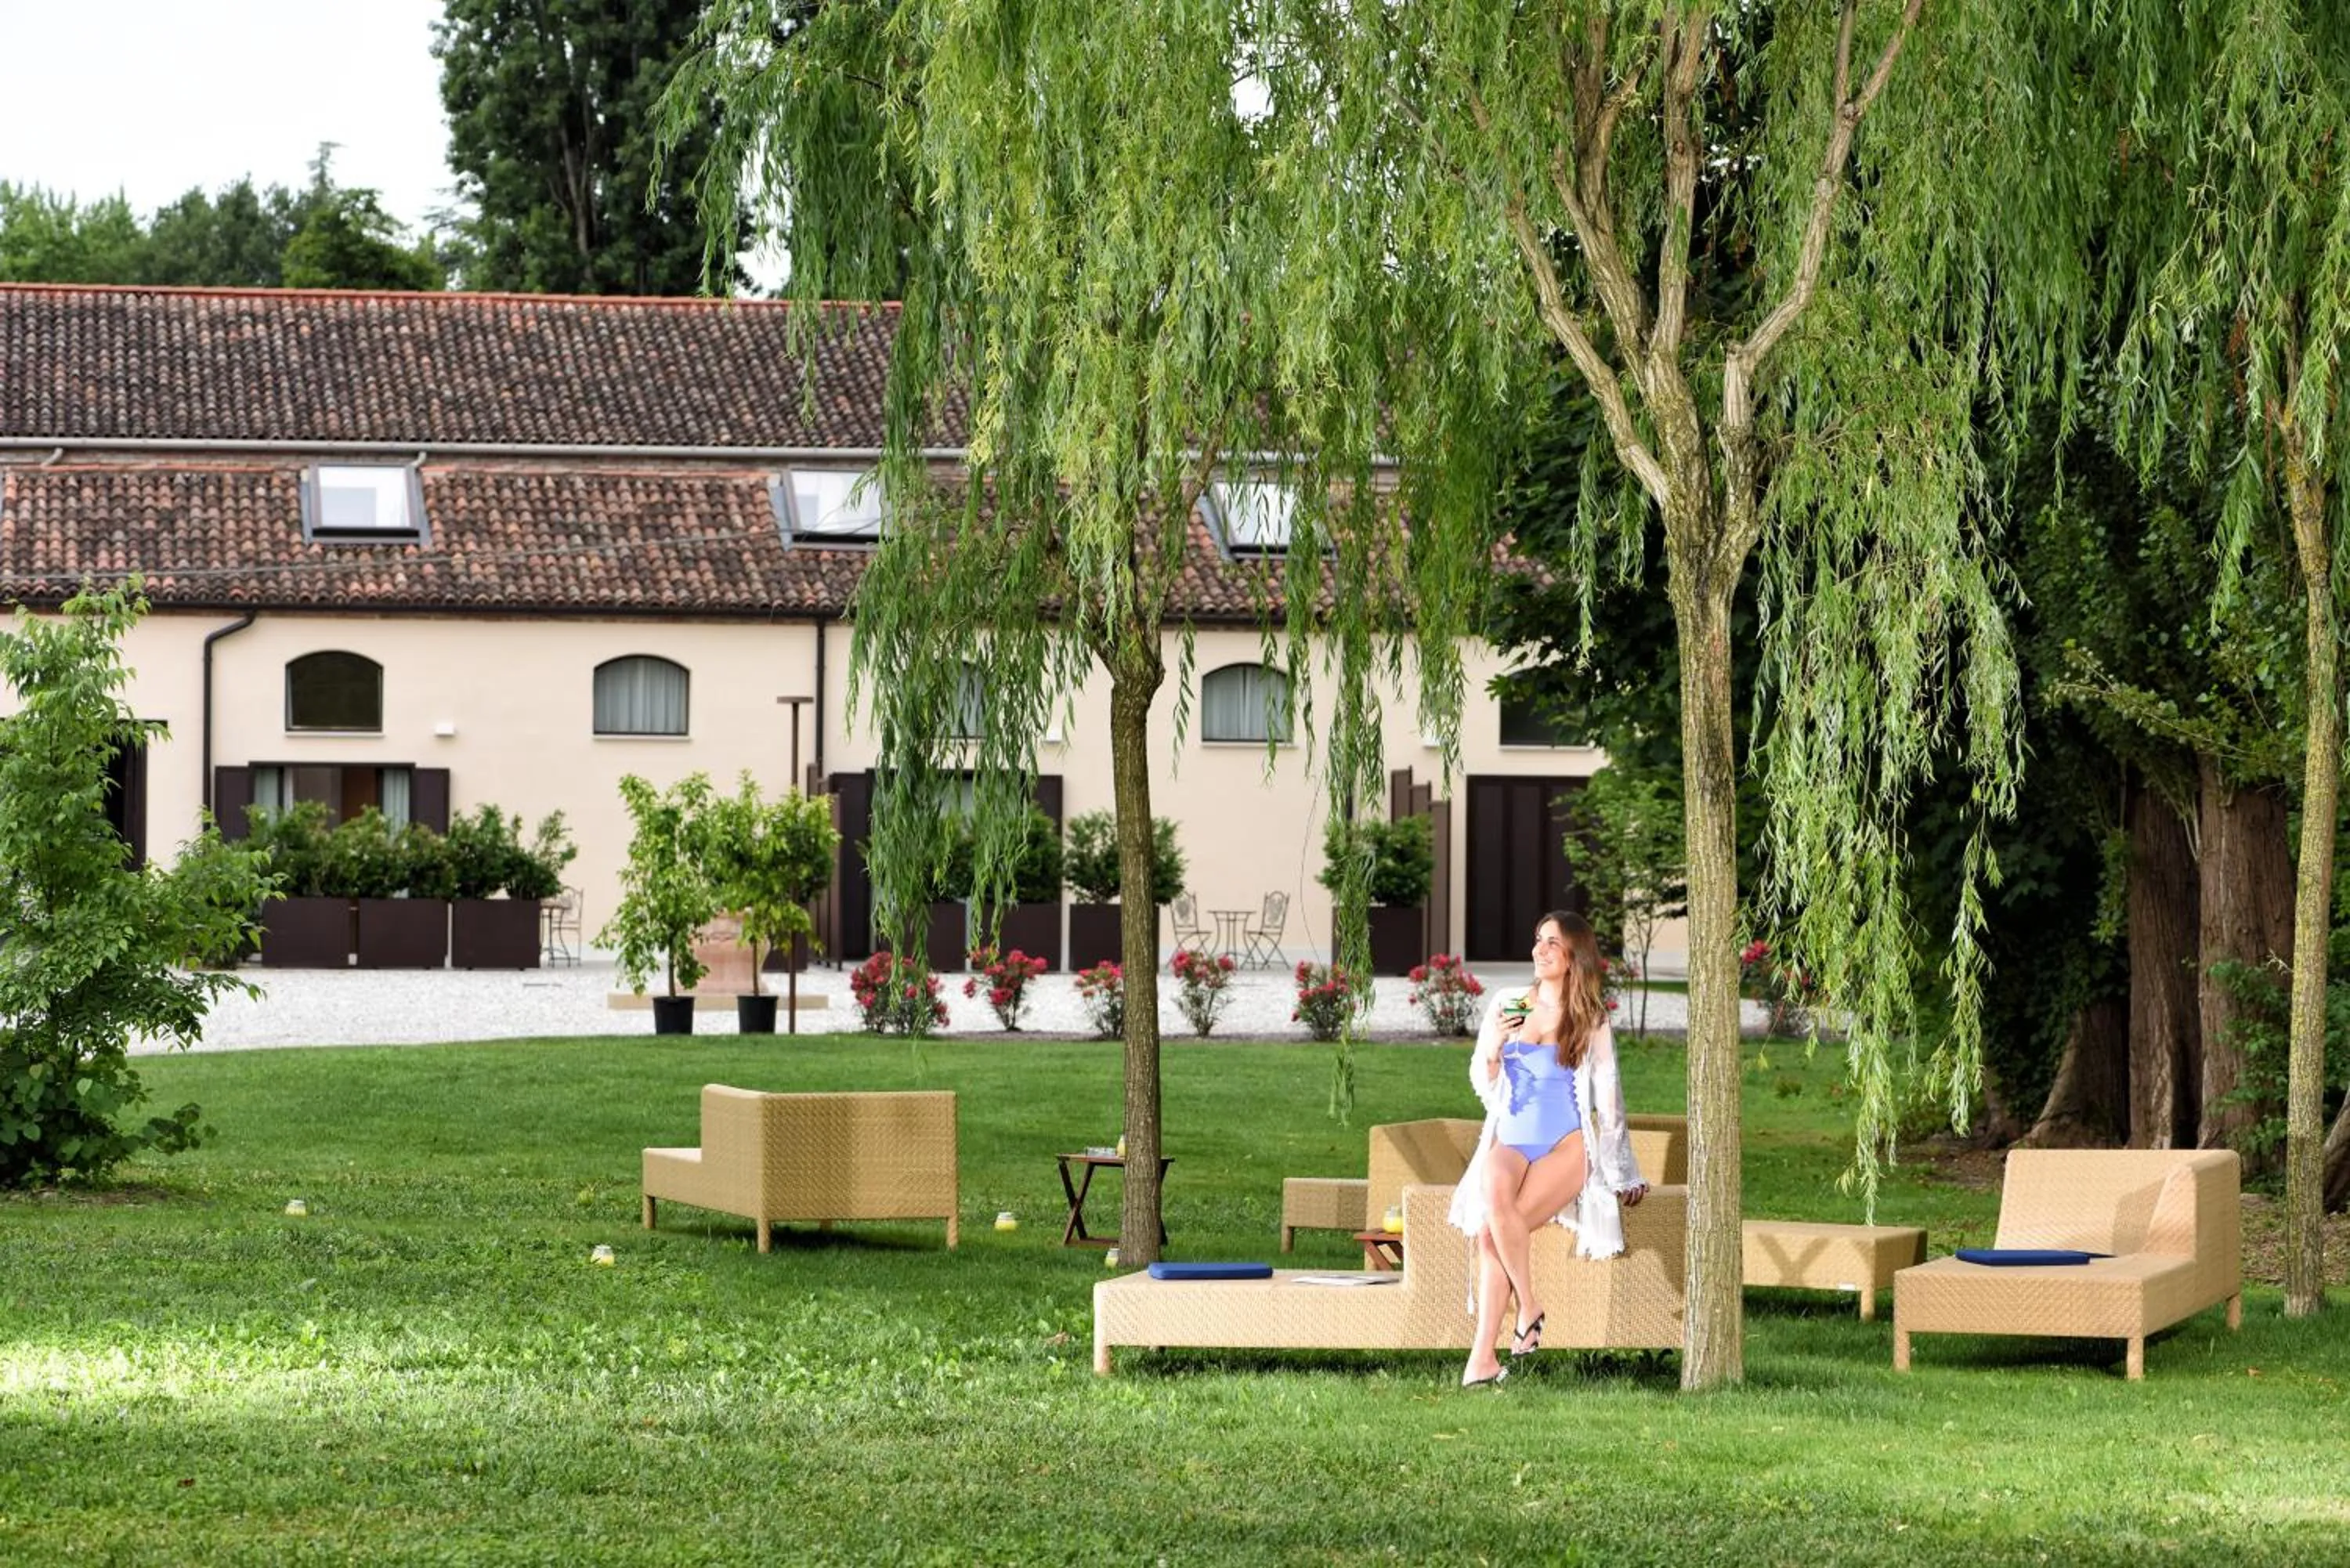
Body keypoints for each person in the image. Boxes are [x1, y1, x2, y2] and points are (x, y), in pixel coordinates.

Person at [1448, 910, 1648, 1387]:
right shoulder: (1509, 1001)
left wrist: (1622, 1173)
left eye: (1552, 943)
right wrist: (1496, 1042)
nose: (1539, 950)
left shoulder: (1590, 1018)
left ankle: (1482, 1360)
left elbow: (1609, 1098)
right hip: (1511, 1138)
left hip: (1565, 1145)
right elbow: (1484, 1078)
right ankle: (1530, 1307)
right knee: (1493, 1203)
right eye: (1538, 940)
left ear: (1574, 955)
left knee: (1492, 1236)